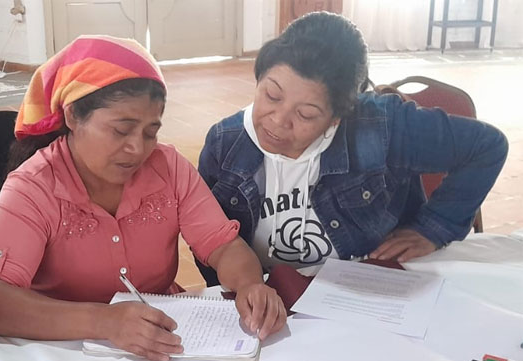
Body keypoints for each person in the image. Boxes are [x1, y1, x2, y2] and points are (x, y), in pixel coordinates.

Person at [0, 35, 286, 360]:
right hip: (63, 353)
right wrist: (104, 321)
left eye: (150, 132)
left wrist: (250, 285)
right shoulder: (34, 186)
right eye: (121, 130)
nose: (137, 148)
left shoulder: (168, 168)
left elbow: (223, 246)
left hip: (162, 344)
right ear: (73, 116)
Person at [198, 12, 507, 282]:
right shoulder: (225, 144)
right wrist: (242, 289)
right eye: (272, 95)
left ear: (338, 117)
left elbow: (486, 147)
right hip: (272, 299)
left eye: (305, 114)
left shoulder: (381, 128)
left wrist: (434, 227)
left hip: (369, 292)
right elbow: (209, 241)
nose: (278, 121)